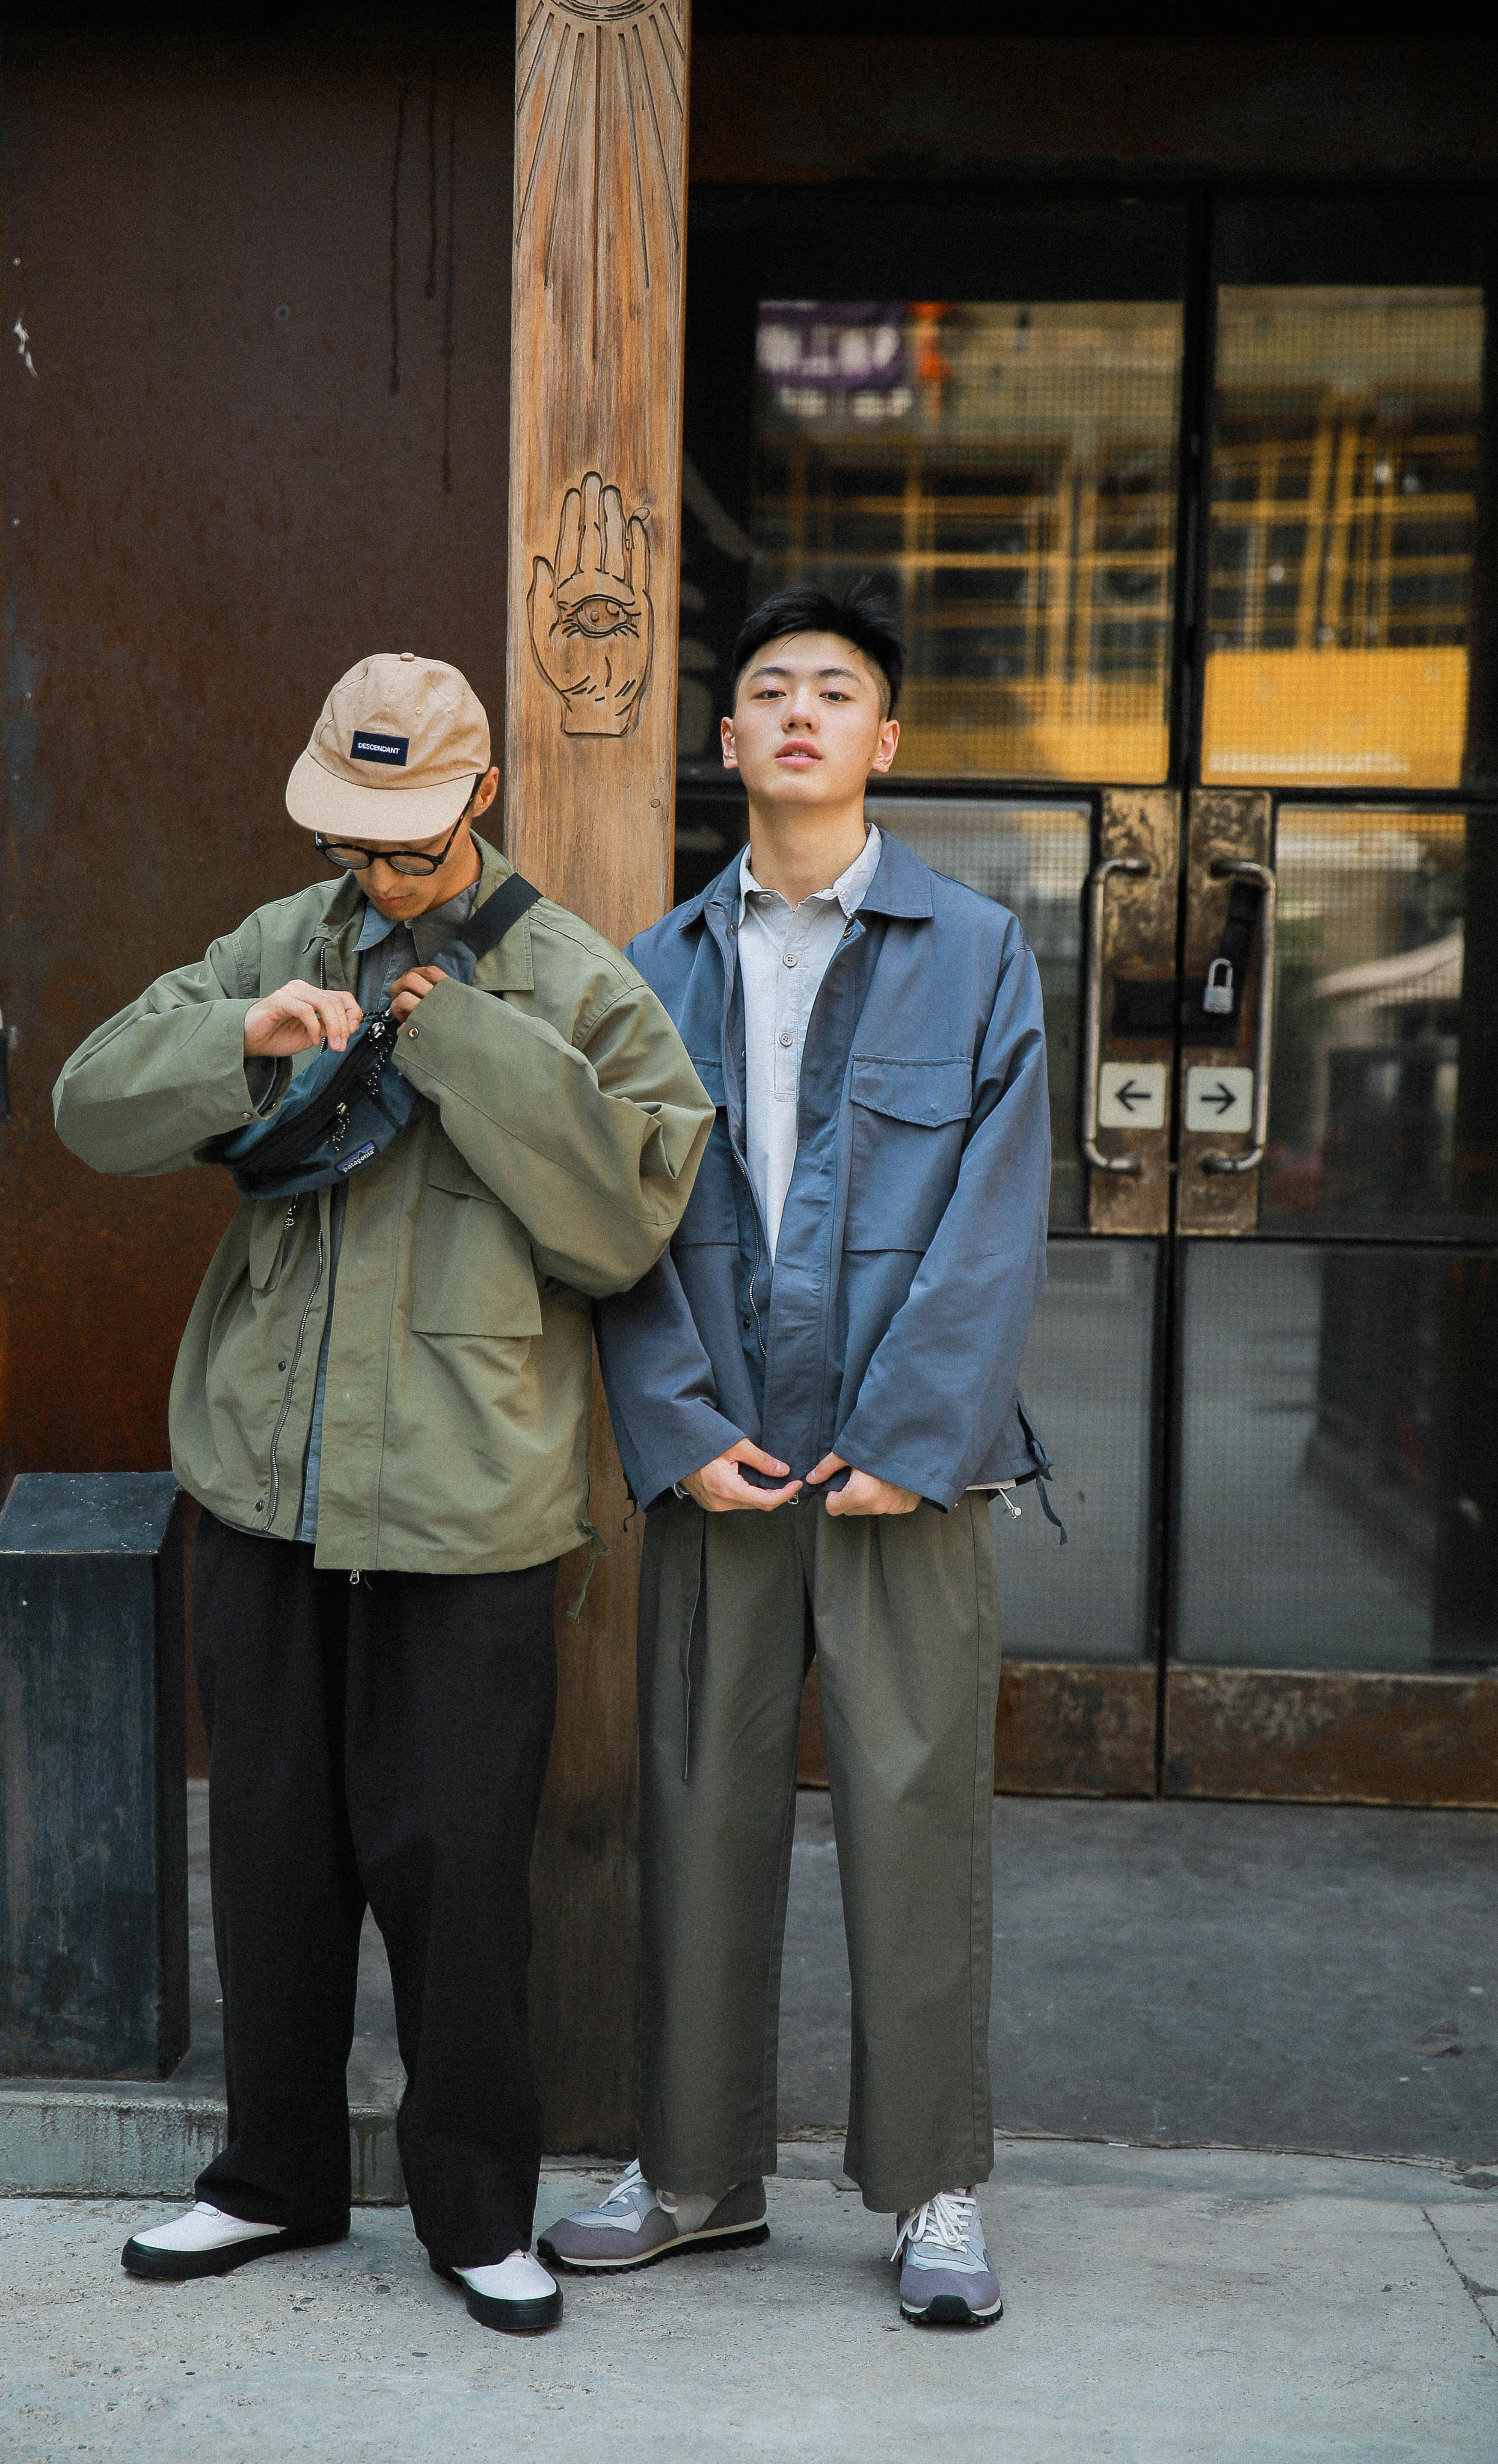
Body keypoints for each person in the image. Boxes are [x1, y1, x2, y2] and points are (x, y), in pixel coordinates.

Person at [53, 652, 712, 2336]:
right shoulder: (283, 940)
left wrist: (469, 1043)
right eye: (353, 841)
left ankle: (479, 2208)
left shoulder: (569, 975)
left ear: (478, 799)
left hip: (467, 1497)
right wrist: (241, 1035)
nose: (378, 873)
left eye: (408, 843)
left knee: (458, 1873)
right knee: (270, 1851)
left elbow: (630, 1214)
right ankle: (267, 2179)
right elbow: (90, 1108)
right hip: (269, 1483)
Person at [540, 584, 1053, 2326]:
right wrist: (677, 1434)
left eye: (840, 692)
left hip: (909, 1471)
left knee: (918, 1816)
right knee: (696, 1805)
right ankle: (693, 2172)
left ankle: (935, 2193)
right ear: (731, 738)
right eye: (771, 691)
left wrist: (919, 1435)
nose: (805, 714)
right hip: (725, 1464)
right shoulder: (654, 966)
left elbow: (995, 1221)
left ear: (887, 741)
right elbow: (617, 1226)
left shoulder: (977, 953)